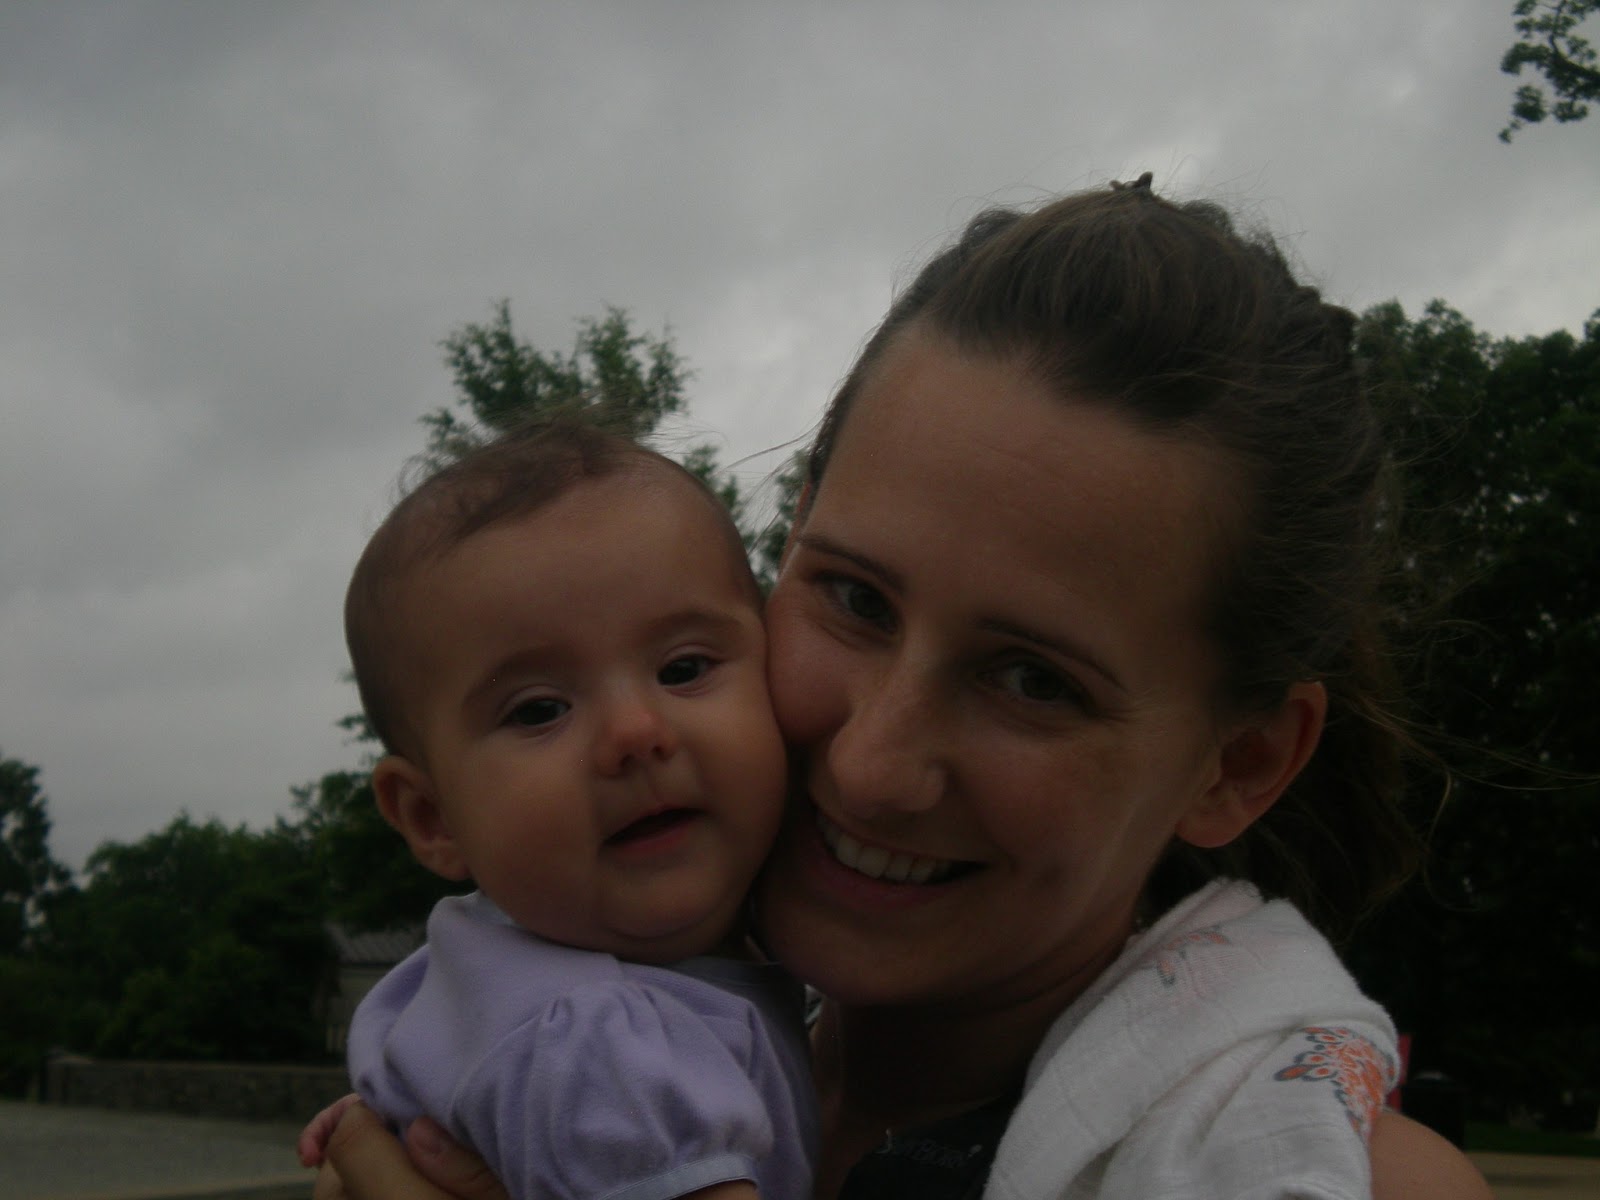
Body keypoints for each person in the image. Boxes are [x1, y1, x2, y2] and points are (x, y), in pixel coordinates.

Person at [311, 178, 1493, 1199]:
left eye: (1033, 680)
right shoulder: (563, 1057)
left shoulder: (1329, 1177)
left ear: (1238, 764)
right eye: (855, 600)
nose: (871, 765)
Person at [303, 419, 816, 1200]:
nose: (635, 733)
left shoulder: (482, 983)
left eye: (683, 667)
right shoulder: (597, 1051)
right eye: (539, 710)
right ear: (432, 817)